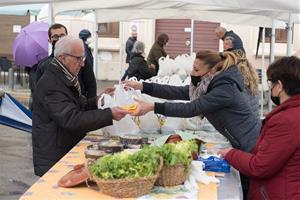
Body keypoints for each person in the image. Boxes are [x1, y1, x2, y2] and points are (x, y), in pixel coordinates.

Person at [125, 50, 261, 152]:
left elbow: (192, 108)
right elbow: (177, 91)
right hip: (241, 141)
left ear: (212, 70)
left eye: (196, 70)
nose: (192, 73)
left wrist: (152, 107)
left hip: (251, 143)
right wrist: (142, 86)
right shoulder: (207, 86)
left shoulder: (224, 90)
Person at [32, 36, 130, 176]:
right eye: (78, 59)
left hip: (62, 146)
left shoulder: (64, 75)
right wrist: (109, 114)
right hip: (54, 155)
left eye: (82, 58)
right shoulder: (51, 84)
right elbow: (72, 119)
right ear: (63, 57)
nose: (82, 64)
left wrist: (98, 100)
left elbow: (78, 105)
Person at [219, 56, 300, 200]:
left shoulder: (286, 120)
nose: (270, 87)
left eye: (271, 83)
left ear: (279, 86)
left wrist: (230, 153)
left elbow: (260, 167)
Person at [224, 36, 260, 116]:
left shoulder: (235, 74)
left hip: (244, 119)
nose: (224, 46)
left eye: (226, 44)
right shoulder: (250, 71)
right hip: (253, 117)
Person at [78, 29, 97, 98]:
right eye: (89, 37)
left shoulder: (85, 46)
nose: (90, 39)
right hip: (86, 75)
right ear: (85, 37)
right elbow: (87, 61)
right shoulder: (83, 47)